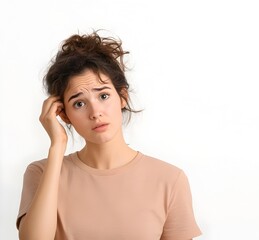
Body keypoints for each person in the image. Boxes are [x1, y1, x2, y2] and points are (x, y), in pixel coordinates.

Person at [16, 30, 202, 240]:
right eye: (79, 103)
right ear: (64, 115)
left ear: (122, 97)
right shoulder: (41, 173)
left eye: (103, 96)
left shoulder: (170, 180)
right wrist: (57, 146)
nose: (95, 113)